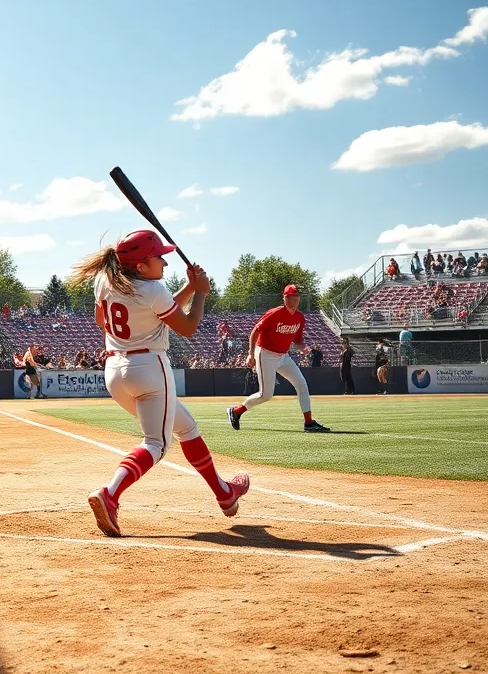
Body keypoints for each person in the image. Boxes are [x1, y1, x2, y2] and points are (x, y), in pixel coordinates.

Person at [71, 230, 248, 538]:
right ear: (141, 266)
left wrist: (190, 287)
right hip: (150, 368)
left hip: (114, 371)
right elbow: (188, 326)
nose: (165, 262)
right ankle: (110, 494)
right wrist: (202, 292)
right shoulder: (153, 289)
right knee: (156, 443)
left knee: (187, 427)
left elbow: (113, 319)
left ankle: (224, 493)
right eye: (159, 257)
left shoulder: (106, 280)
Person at [227, 285, 330, 432]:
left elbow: (298, 340)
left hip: (283, 356)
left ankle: (309, 423)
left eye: (296, 296)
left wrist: (303, 347)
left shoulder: (300, 317)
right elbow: (255, 331)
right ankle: (236, 411)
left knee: (301, 384)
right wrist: (250, 353)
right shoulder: (274, 314)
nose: (293, 299)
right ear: (284, 298)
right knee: (266, 395)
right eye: (290, 297)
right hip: (265, 353)